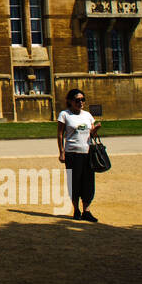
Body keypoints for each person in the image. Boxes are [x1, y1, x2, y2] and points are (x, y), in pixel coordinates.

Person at [56, 88, 100, 222]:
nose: (80, 102)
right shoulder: (65, 114)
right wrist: (61, 151)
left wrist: (96, 129)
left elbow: (91, 134)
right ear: (70, 101)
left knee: (88, 183)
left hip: (87, 153)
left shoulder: (87, 115)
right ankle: (76, 210)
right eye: (77, 100)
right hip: (72, 153)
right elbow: (60, 134)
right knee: (74, 182)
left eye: (82, 99)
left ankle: (86, 210)